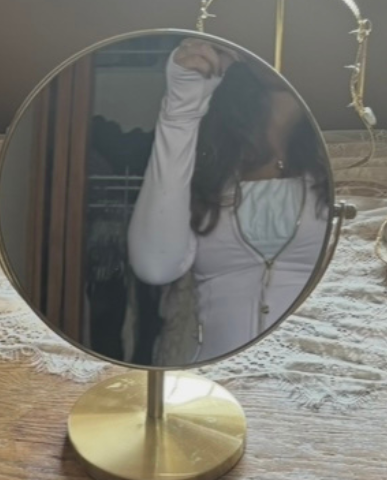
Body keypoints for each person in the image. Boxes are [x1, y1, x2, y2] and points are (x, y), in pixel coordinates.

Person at [127, 39, 330, 362]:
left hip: (321, 390)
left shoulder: (360, 157)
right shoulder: (210, 156)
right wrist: (180, 111)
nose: (280, 41)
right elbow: (155, 265)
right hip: (215, 392)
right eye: (268, 31)